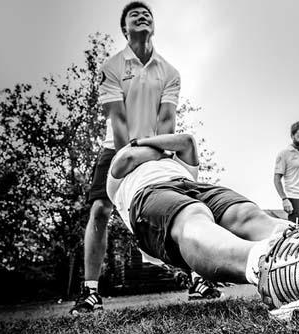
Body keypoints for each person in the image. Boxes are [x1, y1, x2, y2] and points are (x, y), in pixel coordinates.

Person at [106, 133, 299, 319]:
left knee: (246, 214)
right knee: (193, 215)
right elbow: (128, 157)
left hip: (192, 184)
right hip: (148, 195)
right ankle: (267, 269)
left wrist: (150, 144)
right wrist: (151, 146)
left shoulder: (175, 159)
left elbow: (188, 141)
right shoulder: (117, 178)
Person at [70, 1, 218, 315]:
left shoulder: (170, 72)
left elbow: (167, 124)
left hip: (156, 147)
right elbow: (119, 124)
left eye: (147, 13)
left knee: (175, 204)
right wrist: (131, 156)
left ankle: (198, 278)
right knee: (99, 210)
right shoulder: (112, 66)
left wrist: (154, 151)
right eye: (134, 14)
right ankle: (91, 291)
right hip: (117, 148)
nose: (142, 15)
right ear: (125, 29)